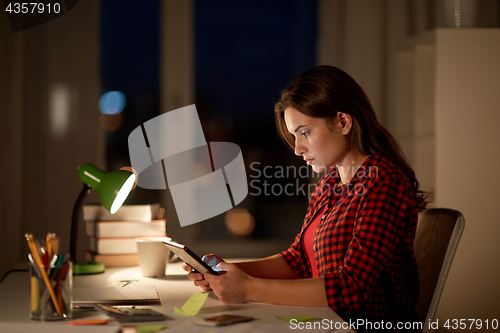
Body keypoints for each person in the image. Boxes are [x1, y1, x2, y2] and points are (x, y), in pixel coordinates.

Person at [183, 66, 427, 331]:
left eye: (305, 132)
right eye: (294, 136)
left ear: (343, 122)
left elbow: (352, 289)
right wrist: (229, 272)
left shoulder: (383, 181)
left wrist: (248, 289)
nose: (298, 149)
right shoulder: (331, 182)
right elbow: (298, 259)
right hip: (327, 323)